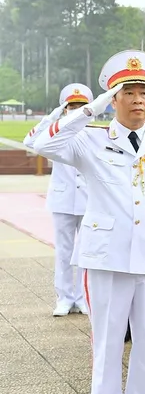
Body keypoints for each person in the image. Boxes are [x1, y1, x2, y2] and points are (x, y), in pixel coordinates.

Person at [33, 50, 145, 394]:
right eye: (128, 92)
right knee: (106, 345)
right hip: (106, 257)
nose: (139, 100)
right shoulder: (90, 139)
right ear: (113, 99)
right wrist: (90, 110)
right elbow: (40, 141)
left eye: (144, 93)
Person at [23, 83, 93, 316]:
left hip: (88, 200)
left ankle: (83, 297)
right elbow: (29, 141)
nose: (75, 110)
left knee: (85, 252)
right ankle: (64, 298)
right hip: (63, 200)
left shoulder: (93, 132)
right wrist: (53, 116)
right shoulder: (55, 133)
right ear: (64, 109)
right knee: (63, 252)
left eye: (80, 106)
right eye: (71, 106)